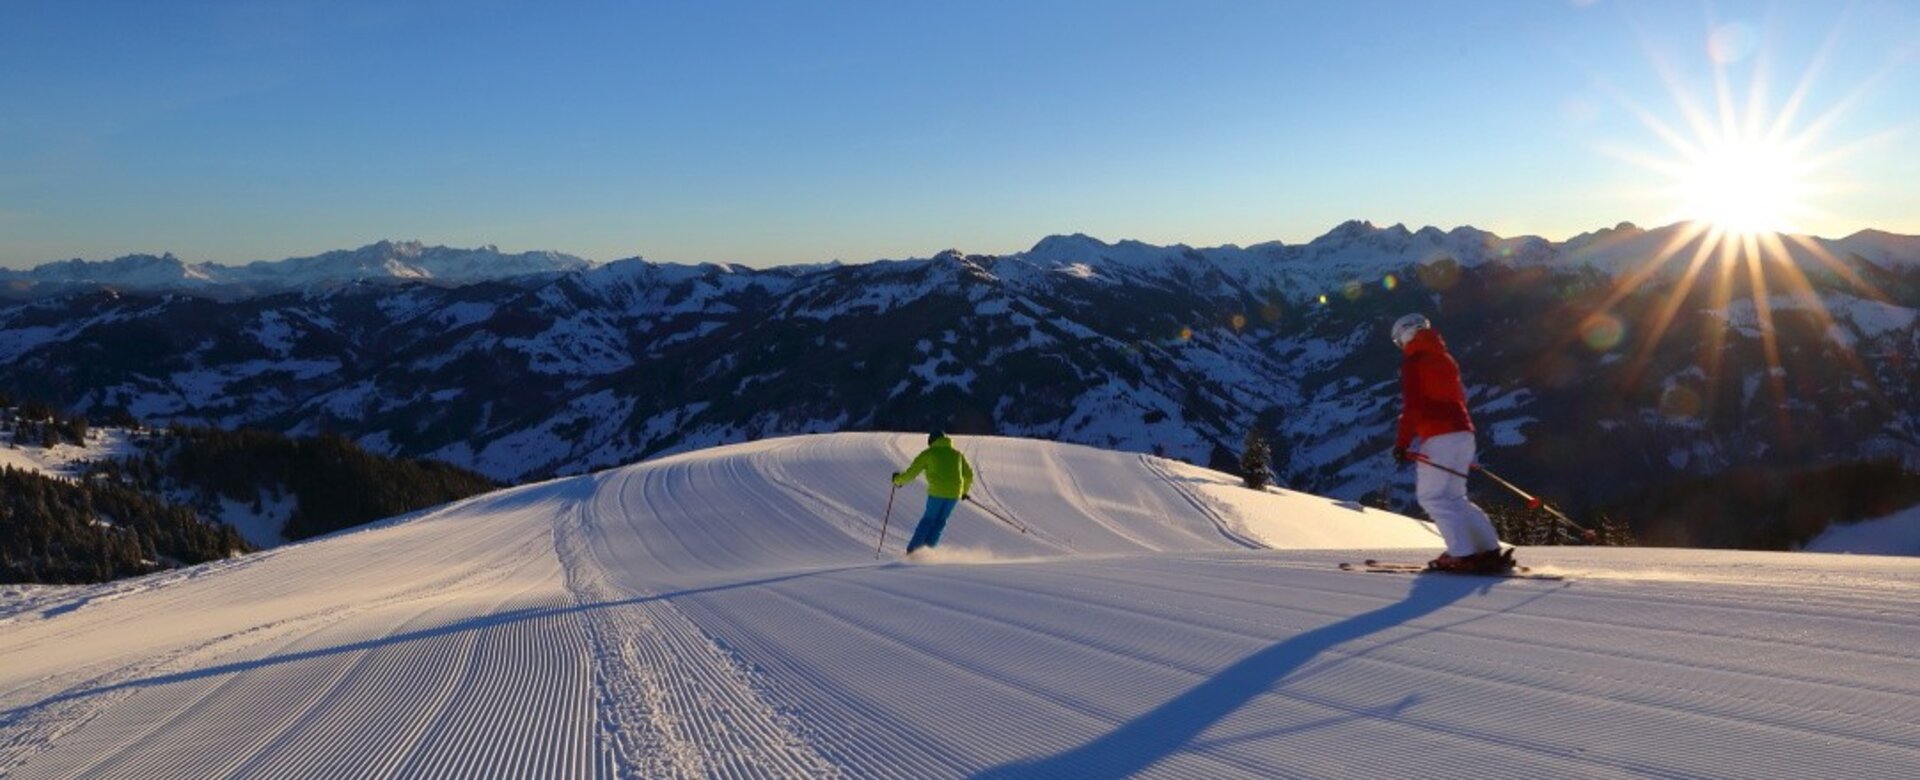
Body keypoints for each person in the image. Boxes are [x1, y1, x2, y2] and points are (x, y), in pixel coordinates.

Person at [1389, 313, 1513, 573]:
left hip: (1439, 436)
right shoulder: (1445, 358)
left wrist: (1401, 444)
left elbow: (1413, 406)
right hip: (1464, 433)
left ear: (1405, 335)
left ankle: (1462, 554)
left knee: (1432, 497)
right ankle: (1488, 548)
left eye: (1399, 340)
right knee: (1455, 497)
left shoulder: (1414, 362)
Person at [891, 430, 974, 554]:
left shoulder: (929, 454)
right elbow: (968, 475)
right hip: (954, 494)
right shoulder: (957, 455)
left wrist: (898, 480)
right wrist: (964, 491)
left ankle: (913, 551)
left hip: (937, 493)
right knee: (940, 522)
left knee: (928, 520)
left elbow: (912, 473)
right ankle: (928, 551)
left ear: (931, 441)